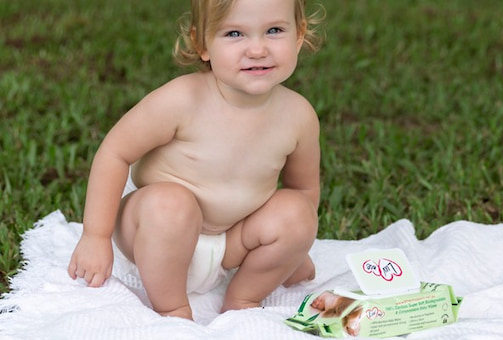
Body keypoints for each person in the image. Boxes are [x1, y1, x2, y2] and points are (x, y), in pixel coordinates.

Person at [67, 0, 323, 321]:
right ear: (202, 44)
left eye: (274, 31)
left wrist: (290, 249)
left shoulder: (298, 116)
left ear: (298, 36)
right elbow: (114, 153)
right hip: (155, 235)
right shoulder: (182, 100)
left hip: (232, 243)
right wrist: (96, 236)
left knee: (296, 214)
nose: (257, 49)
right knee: (171, 203)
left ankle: (243, 301)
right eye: (234, 33)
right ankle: (173, 311)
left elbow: (303, 190)